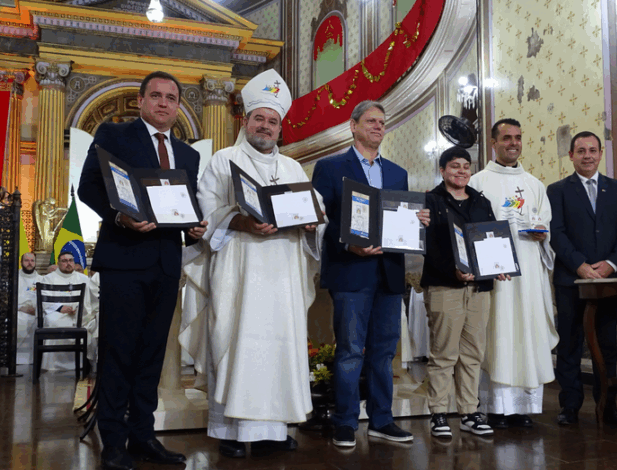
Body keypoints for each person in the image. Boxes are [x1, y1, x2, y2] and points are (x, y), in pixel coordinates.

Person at [182, 69, 324, 458]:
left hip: (283, 274)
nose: (265, 126)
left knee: (281, 346)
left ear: (280, 128)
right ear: (246, 121)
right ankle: (231, 429)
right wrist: (241, 220)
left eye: (272, 121)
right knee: (234, 339)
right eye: (259, 118)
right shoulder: (222, 161)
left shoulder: (294, 168)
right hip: (238, 267)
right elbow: (206, 211)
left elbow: (315, 210)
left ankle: (274, 429)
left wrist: (313, 222)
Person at [78, 70, 207, 470]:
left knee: (152, 354)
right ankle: (113, 440)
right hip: (124, 260)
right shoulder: (114, 136)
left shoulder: (188, 155)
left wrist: (196, 224)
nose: (164, 103)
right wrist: (120, 219)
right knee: (119, 352)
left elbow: (185, 205)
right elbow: (88, 187)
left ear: (178, 105)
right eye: (156, 95)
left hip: (167, 262)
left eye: (171, 97)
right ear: (141, 100)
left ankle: (143, 436)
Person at [312, 100, 430, 447]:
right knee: (350, 350)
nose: (378, 126)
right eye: (370, 121)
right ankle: (345, 421)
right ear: (353, 126)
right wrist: (348, 245)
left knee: (383, 351)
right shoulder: (330, 167)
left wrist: (417, 221)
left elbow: (399, 219)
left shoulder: (396, 172)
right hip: (351, 270)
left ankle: (382, 419)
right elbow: (321, 220)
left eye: (382, 122)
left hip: (389, 271)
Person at [468, 118, 559, 429]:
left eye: (518, 138)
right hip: (496, 276)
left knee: (525, 333)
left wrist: (542, 235)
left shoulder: (535, 184)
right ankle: (493, 407)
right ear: (494, 143)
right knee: (498, 333)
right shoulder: (478, 182)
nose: (513, 143)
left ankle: (522, 407)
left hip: (529, 274)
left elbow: (544, 225)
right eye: (506, 138)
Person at [547, 130, 617, 428]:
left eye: (593, 150)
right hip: (571, 280)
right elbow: (555, 233)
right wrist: (581, 266)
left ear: (601, 154)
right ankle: (570, 407)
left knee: (607, 343)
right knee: (570, 344)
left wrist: (611, 264)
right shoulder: (557, 190)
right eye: (581, 150)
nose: (587, 155)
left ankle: (608, 407)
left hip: (610, 281)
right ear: (571, 155)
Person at [421, 146, 510, 438]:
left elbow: (491, 237)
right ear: (443, 170)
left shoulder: (481, 201)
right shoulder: (431, 201)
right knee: (444, 353)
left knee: (473, 352)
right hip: (445, 285)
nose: (461, 171)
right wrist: (453, 271)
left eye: (466, 166)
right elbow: (428, 246)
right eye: (455, 166)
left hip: (480, 287)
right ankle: (438, 413)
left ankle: (470, 411)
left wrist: (498, 264)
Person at [39, 251, 94, 371]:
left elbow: (90, 301)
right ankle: (53, 365)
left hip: (80, 315)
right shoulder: (48, 279)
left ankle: (80, 364)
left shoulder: (84, 279)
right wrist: (60, 308)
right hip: (57, 314)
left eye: (70, 260)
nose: (68, 263)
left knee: (91, 326)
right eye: (64, 261)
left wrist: (79, 309)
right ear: (58, 263)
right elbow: (43, 300)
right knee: (52, 321)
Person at [17, 252, 42, 365]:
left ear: (35, 263)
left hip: (37, 313)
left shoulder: (42, 279)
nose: (29, 263)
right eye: (26, 261)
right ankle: (16, 358)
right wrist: (20, 308)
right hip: (17, 311)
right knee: (17, 320)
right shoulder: (14, 278)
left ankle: (37, 358)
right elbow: (6, 298)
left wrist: (37, 310)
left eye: (32, 261)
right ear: (21, 262)